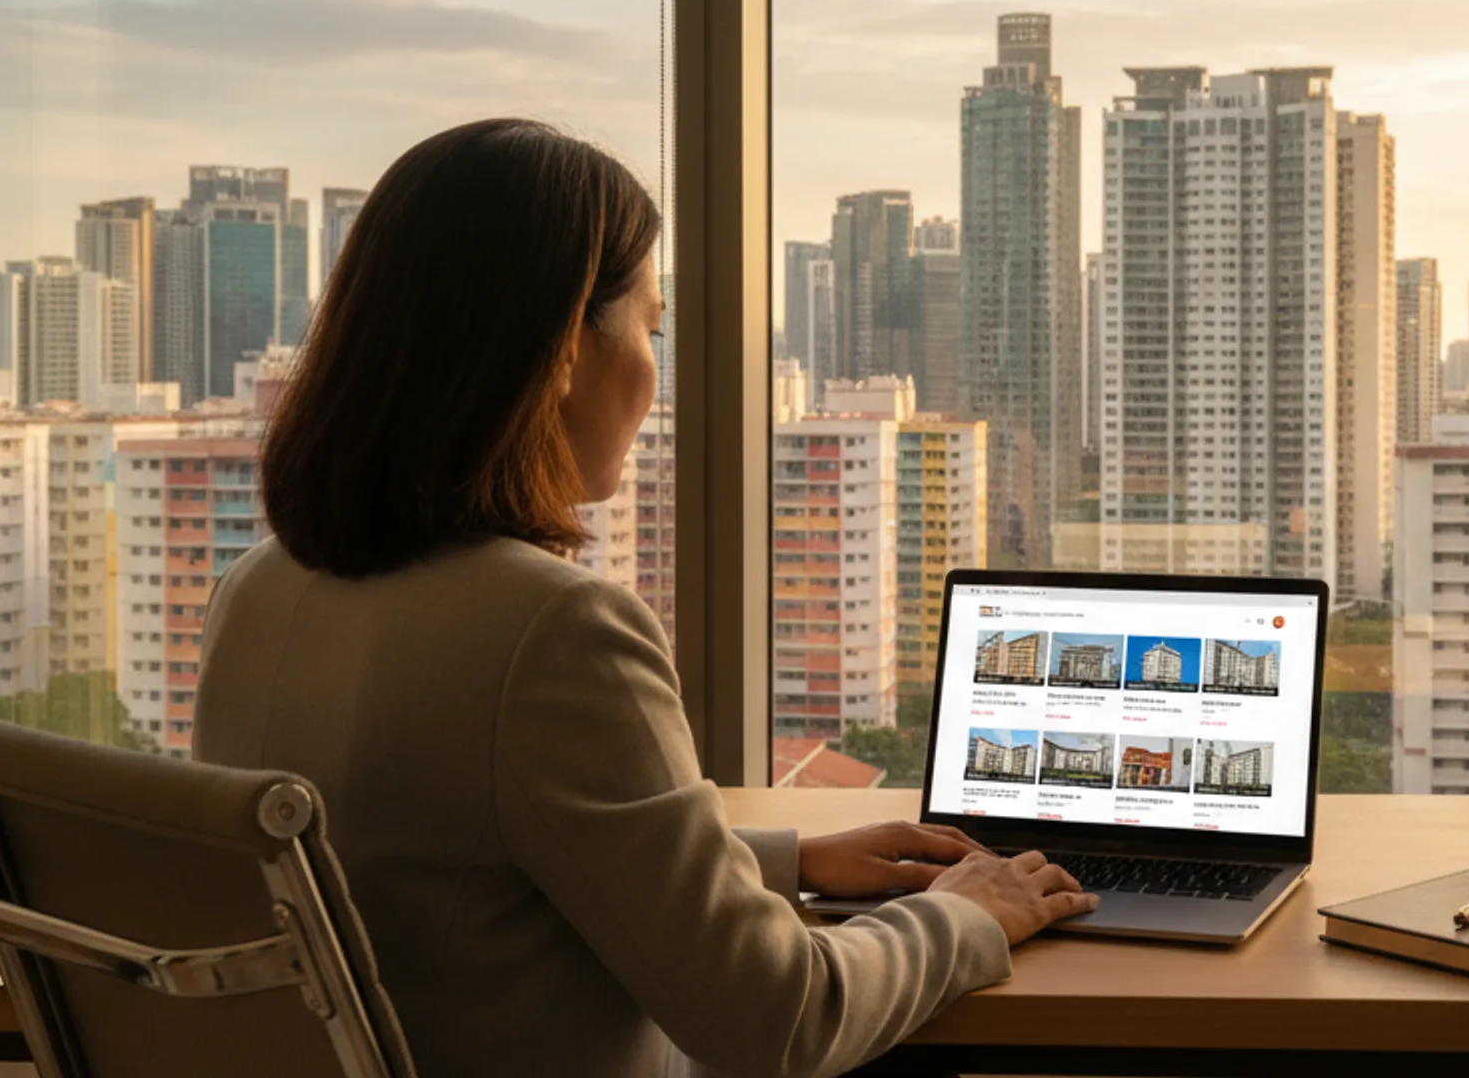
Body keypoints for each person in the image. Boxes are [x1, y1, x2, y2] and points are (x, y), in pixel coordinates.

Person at [193, 118, 1096, 1078]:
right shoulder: (552, 630)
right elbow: (781, 1018)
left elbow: (462, 867)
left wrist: (782, 862)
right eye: (651, 324)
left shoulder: (257, 587)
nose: (657, 375)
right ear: (563, 348)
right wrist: (964, 912)